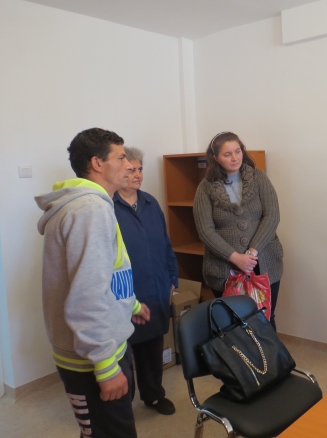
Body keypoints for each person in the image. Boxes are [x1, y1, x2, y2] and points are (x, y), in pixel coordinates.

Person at [35, 128, 150, 438]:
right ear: (98, 164)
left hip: (105, 345)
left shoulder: (96, 204)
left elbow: (105, 273)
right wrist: (106, 367)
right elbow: (85, 296)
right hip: (91, 357)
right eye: (121, 158)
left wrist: (131, 305)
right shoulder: (90, 210)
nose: (129, 165)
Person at [193, 132, 283, 329]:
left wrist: (252, 252)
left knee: (266, 320)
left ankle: (268, 352)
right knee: (233, 326)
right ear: (215, 158)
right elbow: (205, 230)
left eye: (238, 151)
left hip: (264, 262)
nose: (234, 158)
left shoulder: (259, 178)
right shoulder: (205, 188)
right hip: (225, 269)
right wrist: (235, 257)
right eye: (227, 154)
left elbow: (272, 216)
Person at [113, 147, 178, 416]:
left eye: (140, 169)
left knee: (152, 346)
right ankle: (122, 406)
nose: (137, 175)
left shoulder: (151, 203)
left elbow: (165, 244)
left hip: (155, 287)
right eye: (131, 170)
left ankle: (153, 395)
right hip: (125, 293)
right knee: (123, 353)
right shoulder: (107, 206)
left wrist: (172, 277)